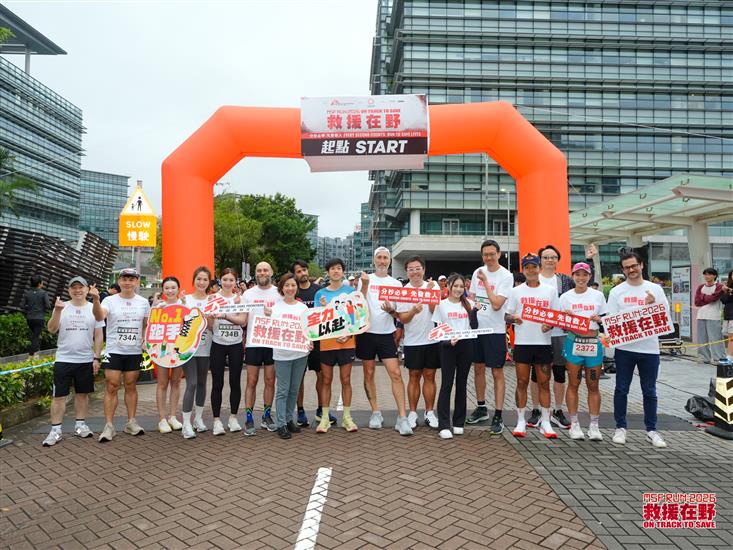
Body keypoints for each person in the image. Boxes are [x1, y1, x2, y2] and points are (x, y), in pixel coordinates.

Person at [608, 252, 670, 448]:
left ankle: (651, 430)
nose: (631, 270)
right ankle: (620, 427)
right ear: (623, 270)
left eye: (634, 265)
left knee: (649, 390)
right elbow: (612, 320)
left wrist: (653, 304)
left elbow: (665, 316)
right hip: (624, 349)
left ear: (641, 265)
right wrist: (640, 310)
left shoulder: (655, 289)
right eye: (627, 267)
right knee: (621, 389)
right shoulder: (617, 292)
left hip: (649, 348)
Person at [42, 277, 104, 446]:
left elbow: (99, 335)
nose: (77, 290)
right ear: (69, 290)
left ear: (87, 289)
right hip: (63, 359)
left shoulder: (94, 308)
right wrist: (57, 311)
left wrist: (97, 357)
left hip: (85, 359)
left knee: (82, 395)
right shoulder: (62, 307)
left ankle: (80, 425)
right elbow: (51, 329)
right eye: (74, 287)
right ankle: (55, 430)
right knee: (58, 396)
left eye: (81, 287)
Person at [357, 246, 413, 436]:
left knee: (395, 373)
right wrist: (364, 285)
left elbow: (400, 313)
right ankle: (375, 412)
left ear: (389, 261)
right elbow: (358, 305)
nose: (382, 261)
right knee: (369, 373)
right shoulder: (365, 279)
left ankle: (402, 418)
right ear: (374, 260)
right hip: (366, 333)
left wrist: (391, 311)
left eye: (385, 258)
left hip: (387, 334)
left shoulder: (396, 284)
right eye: (379, 257)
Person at [505, 254, 560, 439]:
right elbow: (506, 315)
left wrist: (549, 325)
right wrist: (514, 318)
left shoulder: (550, 291)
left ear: (539, 268)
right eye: (527, 267)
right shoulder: (516, 291)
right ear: (523, 270)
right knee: (521, 382)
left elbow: (556, 316)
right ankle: (520, 420)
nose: (531, 270)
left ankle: (546, 422)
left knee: (544, 383)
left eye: (534, 267)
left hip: (543, 343)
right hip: (523, 343)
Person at [93, 268, 150, 442]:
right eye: (124, 279)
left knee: (131, 385)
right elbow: (99, 316)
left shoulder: (143, 302)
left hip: (134, 350)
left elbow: (147, 324)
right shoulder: (109, 300)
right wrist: (95, 300)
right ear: (119, 281)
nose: (127, 282)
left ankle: (131, 422)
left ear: (137, 282)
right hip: (114, 350)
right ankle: (109, 425)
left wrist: (145, 340)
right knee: (112, 385)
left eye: (131, 279)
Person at [466, 239, 514, 435]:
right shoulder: (478, 271)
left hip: (495, 331)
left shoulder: (506, 276)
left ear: (499, 254)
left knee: (497, 372)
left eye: (492, 254)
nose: (489, 257)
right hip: (477, 329)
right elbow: (471, 298)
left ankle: (498, 415)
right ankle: (481, 407)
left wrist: (485, 282)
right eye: (485, 254)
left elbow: (496, 304)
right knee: (478, 368)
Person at [313, 258, 364, 433]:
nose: (336, 271)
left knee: (346, 379)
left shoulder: (351, 292)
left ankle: (347, 417)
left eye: (339, 268)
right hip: (326, 343)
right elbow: (315, 321)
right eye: (332, 268)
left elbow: (358, 316)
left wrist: (349, 334)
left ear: (343, 271)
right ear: (327, 272)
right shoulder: (320, 294)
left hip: (347, 342)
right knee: (326, 380)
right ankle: (325, 418)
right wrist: (321, 309)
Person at [526, 245, 574, 431]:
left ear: (558, 260)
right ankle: (536, 410)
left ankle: (558, 411)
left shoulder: (565, 280)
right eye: (546, 257)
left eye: (553, 257)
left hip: (560, 333)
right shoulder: (532, 280)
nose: (549, 260)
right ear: (540, 260)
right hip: (537, 333)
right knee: (536, 374)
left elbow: (579, 293)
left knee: (560, 373)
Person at [559, 263, 607, 441]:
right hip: (574, 342)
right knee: (573, 383)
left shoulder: (598, 295)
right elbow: (560, 323)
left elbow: (606, 319)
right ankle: (574, 424)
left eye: (584, 274)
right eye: (577, 274)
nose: (581, 278)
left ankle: (594, 426)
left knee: (593, 385)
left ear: (589, 276)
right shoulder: (565, 297)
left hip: (593, 342)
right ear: (572, 276)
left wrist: (599, 319)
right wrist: (567, 318)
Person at [396, 256, 440, 429]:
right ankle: (413, 413)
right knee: (413, 376)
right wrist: (413, 310)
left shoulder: (433, 286)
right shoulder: (403, 291)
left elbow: (435, 312)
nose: (414, 272)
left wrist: (429, 293)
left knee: (430, 376)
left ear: (424, 270)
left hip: (432, 340)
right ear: (407, 272)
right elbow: (403, 319)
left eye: (417, 268)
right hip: (412, 341)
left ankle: (429, 412)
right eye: (411, 269)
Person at [432, 273, 478, 439]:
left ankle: (459, 422)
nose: (458, 289)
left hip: (466, 346)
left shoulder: (469, 304)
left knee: (462, 384)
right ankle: (444, 424)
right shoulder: (441, 305)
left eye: (461, 286)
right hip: (448, 347)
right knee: (447, 384)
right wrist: (447, 342)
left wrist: (475, 312)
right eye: (455, 286)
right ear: (449, 287)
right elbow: (437, 330)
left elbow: (474, 326)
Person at [267, 273, 310, 439]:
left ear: (297, 287)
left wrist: (310, 341)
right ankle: (281, 424)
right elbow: (268, 330)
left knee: (294, 389)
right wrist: (266, 316)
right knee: (283, 390)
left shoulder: (303, 308)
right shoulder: (274, 308)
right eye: (287, 285)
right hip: (282, 355)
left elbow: (308, 330)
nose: (290, 288)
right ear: (281, 288)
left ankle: (289, 419)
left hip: (300, 354)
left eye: (293, 285)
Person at [242, 262, 281, 436]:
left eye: (265, 270)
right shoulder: (247, 294)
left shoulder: (279, 293)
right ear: (255, 273)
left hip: (272, 342)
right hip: (253, 342)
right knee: (251, 381)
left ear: (271, 272)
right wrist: (225, 314)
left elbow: (285, 316)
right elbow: (243, 320)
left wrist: (273, 315)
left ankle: (266, 416)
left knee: (270, 381)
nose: (262, 273)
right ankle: (249, 419)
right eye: (259, 270)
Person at [209, 268, 247, 436]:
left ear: (235, 281)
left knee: (235, 382)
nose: (228, 283)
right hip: (218, 344)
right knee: (217, 383)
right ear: (220, 280)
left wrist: (225, 315)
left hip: (236, 345)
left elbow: (243, 321)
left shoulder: (241, 299)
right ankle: (216, 420)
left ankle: (233, 418)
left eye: (231, 280)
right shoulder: (213, 298)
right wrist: (210, 317)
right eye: (225, 279)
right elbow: (210, 326)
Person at [291, 260, 326, 427]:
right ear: (294, 274)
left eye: (304, 270)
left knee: (322, 375)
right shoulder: (292, 291)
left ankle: (321, 409)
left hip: (318, 339)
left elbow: (326, 313)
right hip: (299, 340)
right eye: (298, 271)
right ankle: (300, 411)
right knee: (299, 377)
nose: (302, 273)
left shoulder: (318, 290)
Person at [181, 266, 215, 438]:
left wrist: (208, 318)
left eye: (205, 279)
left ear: (209, 282)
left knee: (202, 383)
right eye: (199, 279)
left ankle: (198, 419)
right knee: (192, 383)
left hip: (206, 347)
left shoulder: (212, 300)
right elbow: (179, 323)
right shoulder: (185, 300)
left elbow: (212, 327)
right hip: (188, 349)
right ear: (193, 280)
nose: (201, 282)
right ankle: (185, 423)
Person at [152, 276, 184, 434]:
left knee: (176, 382)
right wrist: (154, 307)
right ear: (163, 290)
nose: (170, 291)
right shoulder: (159, 307)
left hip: (179, 349)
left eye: (173, 288)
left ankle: (173, 417)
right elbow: (151, 328)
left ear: (178, 289)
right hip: (162, 349)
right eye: (167, 288)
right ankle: (162, 419)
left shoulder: (184, 306)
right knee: (162, 383)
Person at [694, 268, 727, 364]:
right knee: (702, 338)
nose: (707, 276)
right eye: (705, 274)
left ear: (714, 276)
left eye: (709, 274)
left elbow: (714, 298)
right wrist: (707, 297)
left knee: (715, 338)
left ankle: (719, 358)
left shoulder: (719, 286)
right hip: (701, 315)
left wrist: (703, 297)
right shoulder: (701, 287)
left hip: (714, 316)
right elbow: (697, 302)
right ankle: (704, 357)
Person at [20, 275, 51, 357]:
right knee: (35, 337)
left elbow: (22, 306)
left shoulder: (27, 293)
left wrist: (30, 308)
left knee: (35, 336)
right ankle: (31, 355)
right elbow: (48, 306)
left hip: (29, 319)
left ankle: (36, 353)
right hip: (39, 318)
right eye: (42, 281)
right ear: (39, 283)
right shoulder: (43, 293)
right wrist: (41, 308)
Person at [720, 270, 733, 366]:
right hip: (728, 314)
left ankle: (729, 357)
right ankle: (729, 356)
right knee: (729, 337)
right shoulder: (728, 287)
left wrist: (729, 290)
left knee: (731, 337)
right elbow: (724, 300)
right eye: (732, 275)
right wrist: (726, 291)